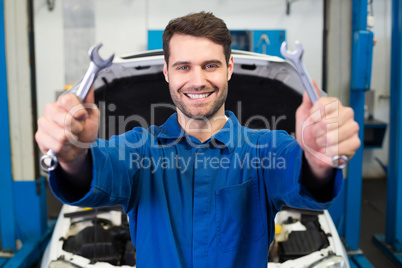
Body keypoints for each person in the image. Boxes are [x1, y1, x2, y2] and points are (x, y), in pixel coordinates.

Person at [35, 12, 360, 267]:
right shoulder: (138, 150)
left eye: (210, 65)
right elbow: (96, 175)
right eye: (183, 67)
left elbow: (305, 182)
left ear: (229, 67)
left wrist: (318, 159)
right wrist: (73, 155)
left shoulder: (265, 150)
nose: (198, 80)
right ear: (166, 71)